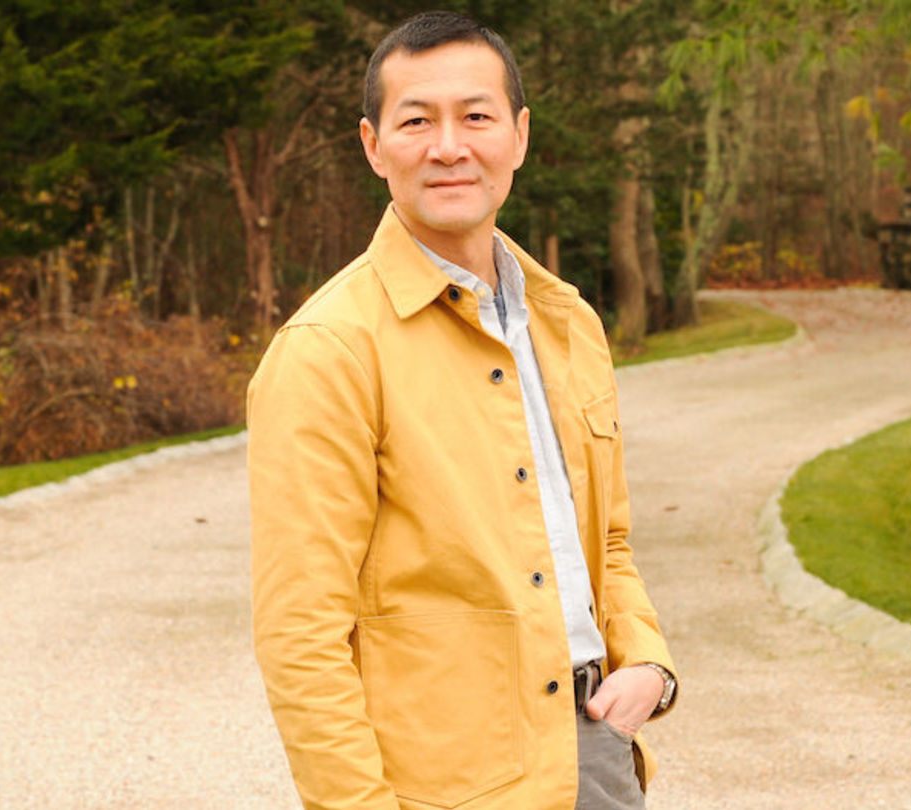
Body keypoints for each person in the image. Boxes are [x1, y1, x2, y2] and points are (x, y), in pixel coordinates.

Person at [246, 11, 678, 810]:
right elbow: (301, 635)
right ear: (375, 146)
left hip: (596, 754)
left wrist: (647, 660)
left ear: (517, 136)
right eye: (417, 121)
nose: (450, 146)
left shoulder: (569, 321)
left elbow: (606, 542)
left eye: (475, 116)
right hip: (440, 787)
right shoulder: (329, 349)